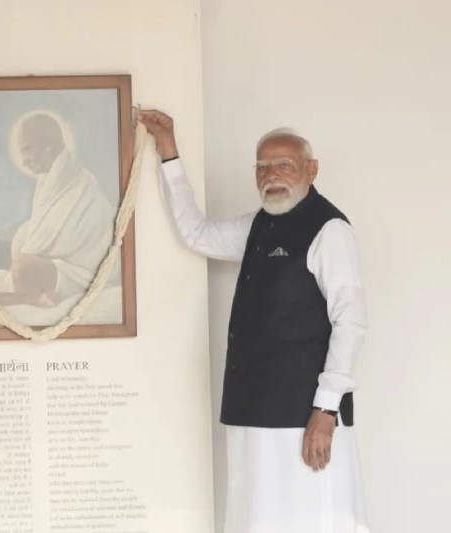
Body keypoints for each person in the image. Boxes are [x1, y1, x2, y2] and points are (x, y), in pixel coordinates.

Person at [140, 110, 368, 532]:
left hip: (304, 415)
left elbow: (350, 320)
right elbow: (196, 233)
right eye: (262, 167)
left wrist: (326, 409)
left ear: (310, 169)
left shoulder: (329, 230)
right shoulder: (257, 226)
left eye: (284, 164)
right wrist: (168, 148)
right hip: (251, 410)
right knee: (257, 518)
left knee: (313, 518)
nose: (271, 175)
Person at [0, 111, 118, 308]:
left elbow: (63, 239)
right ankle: (29, 299)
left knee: (24, 267)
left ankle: (10, 298)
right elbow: (38, 238)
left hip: (78, 274)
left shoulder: (77, 182)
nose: (24, 161)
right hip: (45, 273)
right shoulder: (49, 181)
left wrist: (24, 260)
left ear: (48, 145)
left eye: (27, 149)